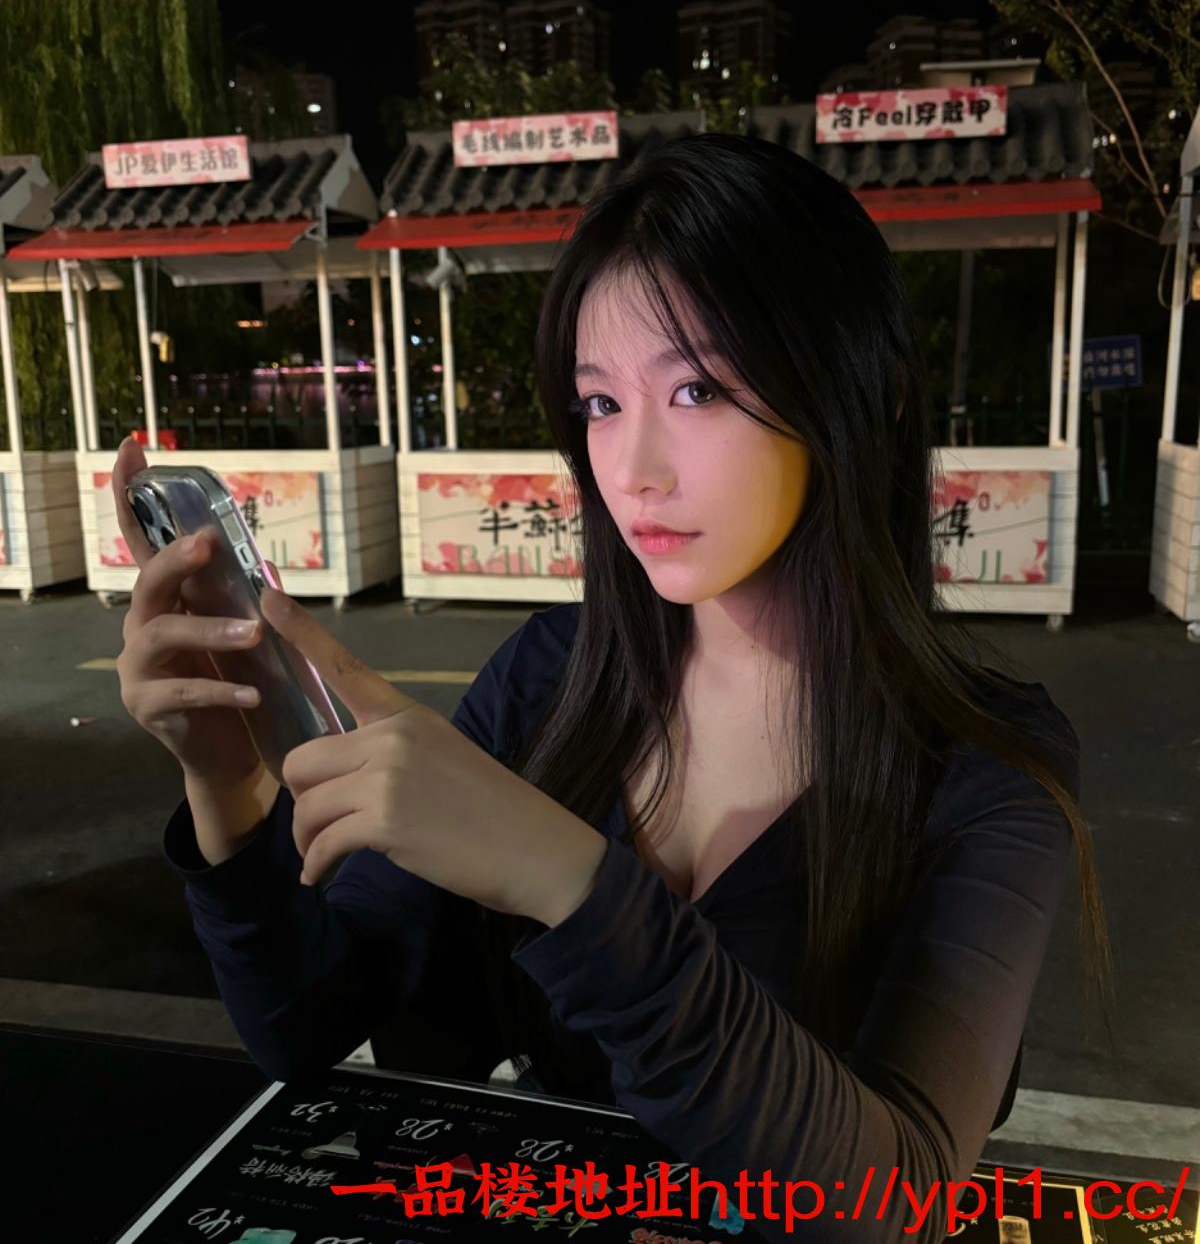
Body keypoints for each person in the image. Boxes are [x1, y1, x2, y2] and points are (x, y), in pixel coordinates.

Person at [112, 132, 1113, 1244]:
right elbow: (303, 1026)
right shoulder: (549, 678)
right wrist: (226, 781)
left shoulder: (984, 761)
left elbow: (896, 1197)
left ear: (863, 394)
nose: (633, 469)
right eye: (600, 404)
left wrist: (570, 878)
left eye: (696, 388)